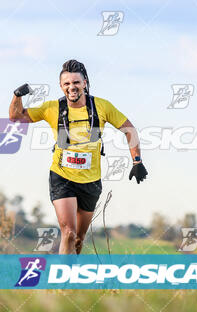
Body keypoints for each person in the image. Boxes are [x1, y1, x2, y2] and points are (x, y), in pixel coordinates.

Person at [8, 59, 148, 254]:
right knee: (69, 233)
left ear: (84, 83)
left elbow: (129, 129)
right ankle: (63, 282)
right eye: (66, 84)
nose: (71, 87)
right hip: (62, 176)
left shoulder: (101, 107)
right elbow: (16, 117)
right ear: (61, 86)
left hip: (91, 181)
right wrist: (17, 95)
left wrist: (137, 161)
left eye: (75, 83)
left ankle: (71, 278)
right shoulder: (52, 108)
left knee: (79, 239)